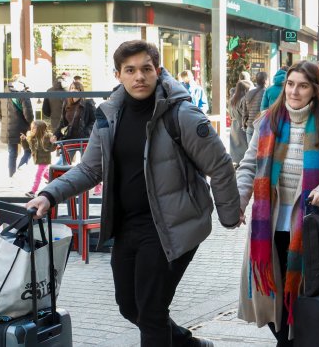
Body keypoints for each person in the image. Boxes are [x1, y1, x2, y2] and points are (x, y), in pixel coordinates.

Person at [27, 40, 239, 347]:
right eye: (130, 70)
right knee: (130, 306)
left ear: (158, 71)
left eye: (146, 69)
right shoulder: (110, 115)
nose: (139, 76)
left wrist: (229, 216)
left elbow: (219, 165)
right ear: (118, 75)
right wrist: (49, 195)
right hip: (128, 227)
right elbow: (90, 169)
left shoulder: (182, 114)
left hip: (171, 226)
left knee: (151, 312)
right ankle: (189, 345)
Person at [235, 61, 319, 346]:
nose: (294, 91)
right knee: (272, 296)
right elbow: (249, 166)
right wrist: (239, 201)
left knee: (307, 299)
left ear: (315, 90)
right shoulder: (267, 122)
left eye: (302, 86)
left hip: (312, 226)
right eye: (290, 84)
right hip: (270, 225)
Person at [0, 75, 34, 179]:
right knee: (29, 150)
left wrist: (6, 123)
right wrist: (30, 125)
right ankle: (20, 170)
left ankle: (12, 176)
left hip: (9, 130)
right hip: (23, 129)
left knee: (12, 154)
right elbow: (29, 116)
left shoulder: (3, 95)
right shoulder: (23, 94)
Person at [26, 119, 57, 197]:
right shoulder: (34, 137)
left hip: (45, 160)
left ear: (40, 129)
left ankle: (33, 191)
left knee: (38, 175)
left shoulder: (47, 137)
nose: (32, 129)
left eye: (34, 128)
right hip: (39, 160)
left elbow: (51, 149)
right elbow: (30, 147)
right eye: (32, 128)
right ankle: (56, 183)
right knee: (45, 174)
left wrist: (53, 143)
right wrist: (24, 140)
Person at [229, 71, 254, 162]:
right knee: (245, 149)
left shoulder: (232, 98)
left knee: (235, 148)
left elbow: (230, 114)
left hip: (234, 125)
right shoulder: (245, 99)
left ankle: (236, 164)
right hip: (243, 126)